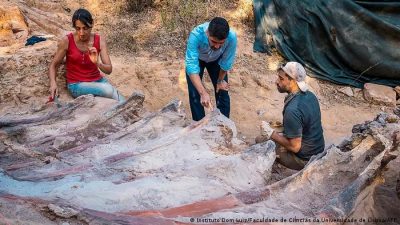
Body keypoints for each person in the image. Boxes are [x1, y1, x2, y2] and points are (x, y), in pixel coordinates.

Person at [48, 8, 125, 103]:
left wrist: (97, 63)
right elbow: (53, 65)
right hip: (76, 85)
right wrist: (53, 83)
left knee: (124, 101)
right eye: (78, 28)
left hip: (98, 81)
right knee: (109, 90)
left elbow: (109, 70)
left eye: (85, 28)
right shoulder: (67, 41)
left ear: (92, 24)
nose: (81, 33)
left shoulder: (100, 40)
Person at [260, 62, 325, 170]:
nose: (276, 82)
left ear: (293, 81)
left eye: (281, 79)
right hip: (317, 150)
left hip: (305, 159)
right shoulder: (310, 95)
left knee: (261, 141)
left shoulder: (292, 110)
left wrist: (271, 134)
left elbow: (295, 147)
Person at [185, 17, 237, 121]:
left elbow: (226, 63)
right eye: (213, 41)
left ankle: (224, 125)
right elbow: (191, 67)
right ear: (208, 33)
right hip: (198, 59)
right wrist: (203, 93)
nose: (217, 46)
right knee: (195, 93)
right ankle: (199, 126)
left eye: (221, 43)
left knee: (222, 90)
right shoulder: (196, 35)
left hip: (216, 60)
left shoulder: (231, 37)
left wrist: (220, 81)